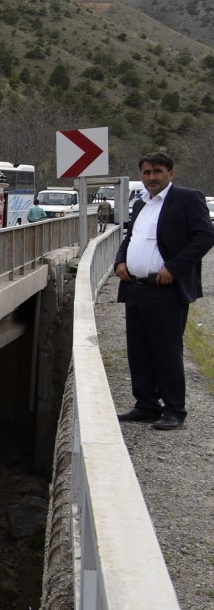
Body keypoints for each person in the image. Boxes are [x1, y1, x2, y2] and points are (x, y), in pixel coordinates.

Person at [114, 152, 214, 430]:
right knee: (139, 350)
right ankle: (146, 404)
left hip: (165, 290)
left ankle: (174, 410)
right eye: (146, 172)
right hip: (135, 288)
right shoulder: (140, 203)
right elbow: (130, 237)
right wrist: (120, 261)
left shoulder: (186, 199)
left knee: (166, 351)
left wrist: (174, 267)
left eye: (157, 171)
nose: (151, 177)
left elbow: (205, 236)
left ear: (171, 173)